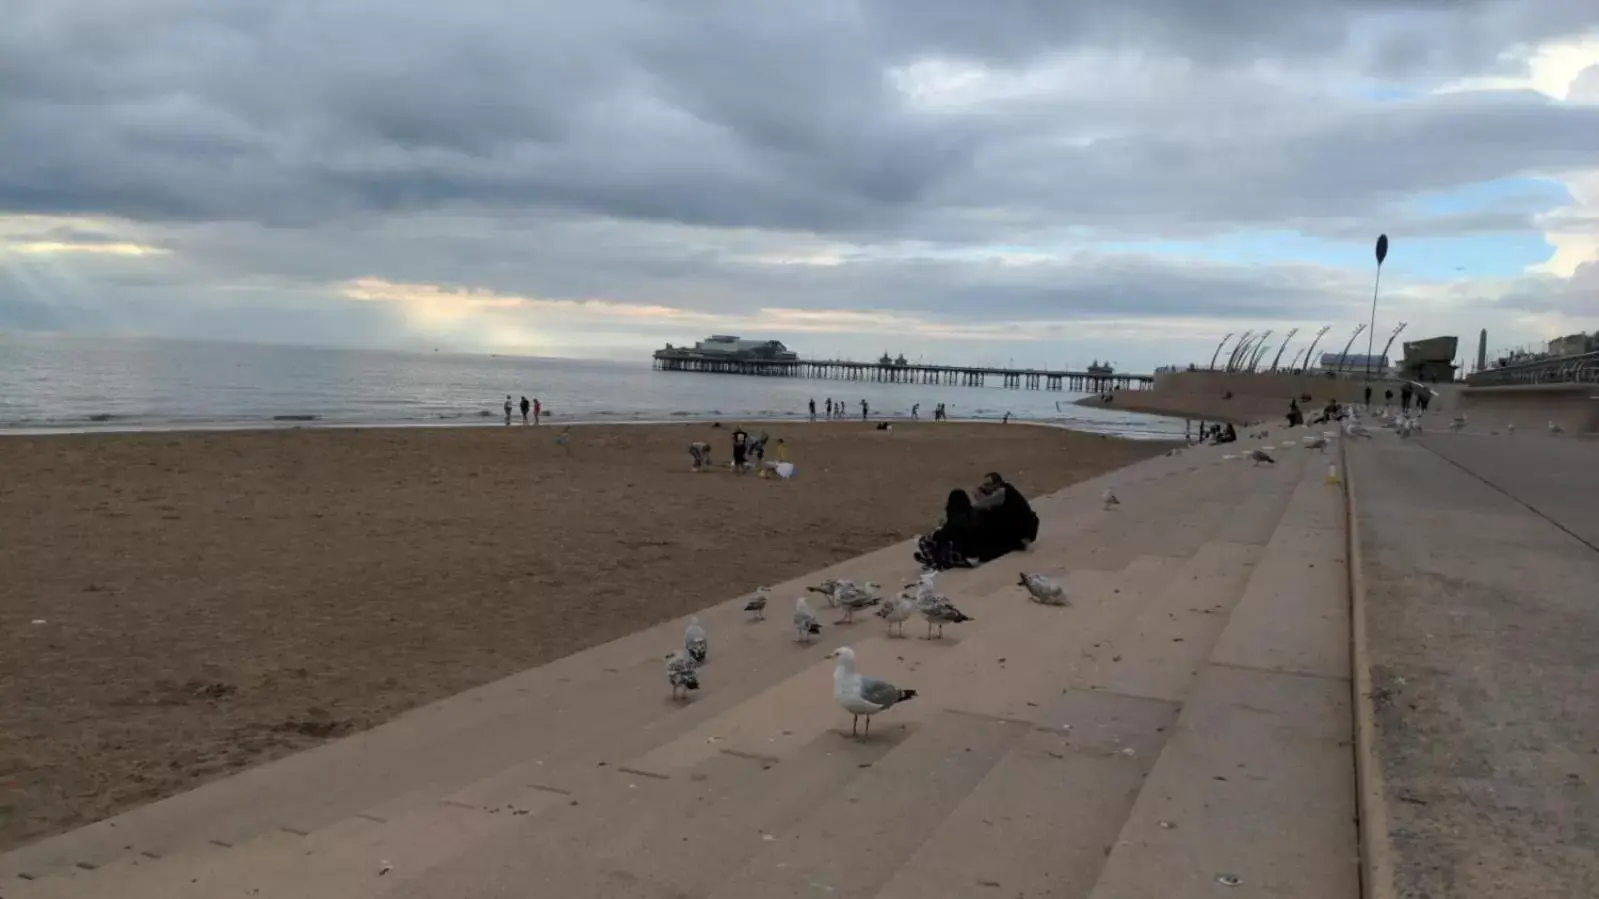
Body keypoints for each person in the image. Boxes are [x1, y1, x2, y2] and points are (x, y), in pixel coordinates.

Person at [915, 489, 986, 570]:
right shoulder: (973, 513)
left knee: (924, 541)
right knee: (940, 540)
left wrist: (936, 533)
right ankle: (930, 559)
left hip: (962, 554)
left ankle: (934, 563)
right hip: (975, 552)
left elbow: (947, 534)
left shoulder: (957, 519)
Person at [973, 472, 1039, 552]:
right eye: (984, 484)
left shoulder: (1002, 492)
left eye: (988, 484)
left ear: (997, 484)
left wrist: (978, 494)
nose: (985, 487)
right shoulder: (1005, 488)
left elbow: (981, 504)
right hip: (1023, 527)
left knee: (984, 514)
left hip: (1022, 530)